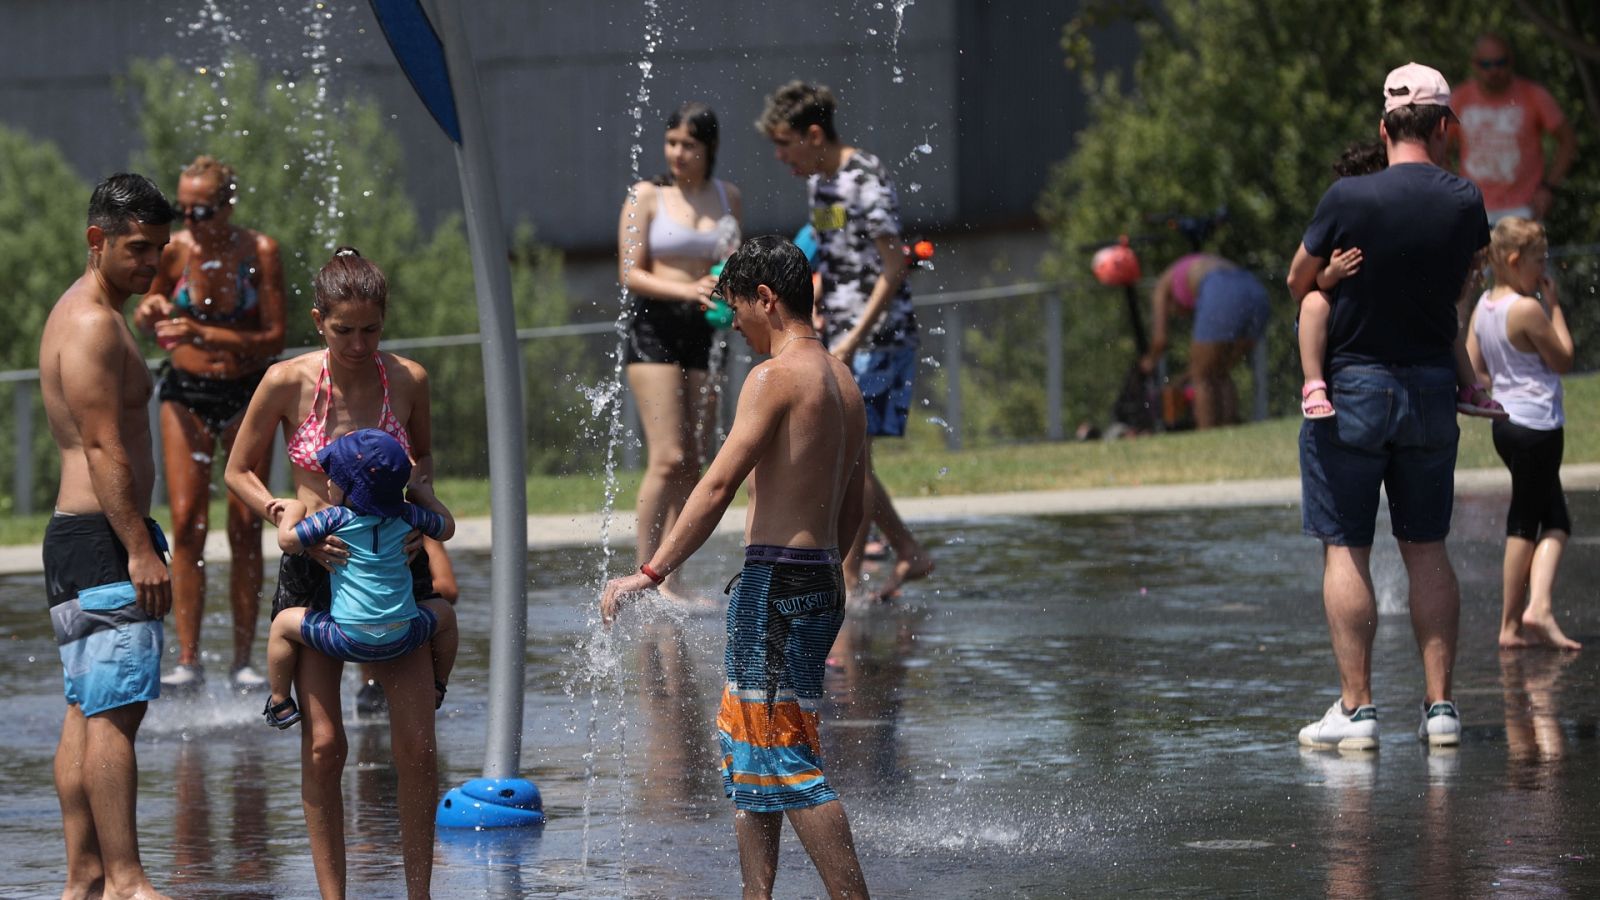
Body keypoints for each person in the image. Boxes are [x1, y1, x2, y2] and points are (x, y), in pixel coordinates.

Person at [601, 235, 872, 899]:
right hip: (815, 580)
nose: (735, 328)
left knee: (784, 754)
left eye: (736, 312)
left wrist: (652, 571)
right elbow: (856, 499)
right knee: (750, 744)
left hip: (778, 583)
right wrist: (826, 573)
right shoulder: (841, 380)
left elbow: (717, 486)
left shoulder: (775, 377)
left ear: (766, 300)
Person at [224, 246, 444, 899]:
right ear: (318, 319)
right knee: (325, 745)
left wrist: (417, 516)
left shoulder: (408, 379)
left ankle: (419, 893)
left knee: (418, 748)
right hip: (317, 565)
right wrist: (280, 512)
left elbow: (424, 459)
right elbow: (237, 471)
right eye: (342, 329)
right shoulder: (287, 380)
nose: (356, 342)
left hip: (391, 564)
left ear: (384, 321)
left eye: (370, 329)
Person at [1287, 62, 1490, 751]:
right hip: (1433, 385)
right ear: (1441, 127)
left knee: (1347, 543)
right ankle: (1440, 711)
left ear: (1383, 127)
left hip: (1354, 387)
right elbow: (1470, 278)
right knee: (1426, 547)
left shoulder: (1349, 196)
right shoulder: (1464, 199)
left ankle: (1359, 710)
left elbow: (1297, 281)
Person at [40, 172, 177, 900]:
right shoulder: (94, 323)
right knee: (116, 714)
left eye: (157, 250)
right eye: (136, 248)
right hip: (102, 538)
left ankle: (84, 877)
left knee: (85, 707)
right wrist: (139, 549)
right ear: (97, 239)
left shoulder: (85, 312)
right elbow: (103, 448)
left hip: (75, 538)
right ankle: (125, 880)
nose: (150, 263)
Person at [758, 79, 930, 601]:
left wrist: (855, 335)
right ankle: (904, 554)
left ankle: (852, 580)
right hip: (842, 335)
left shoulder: (865, 178)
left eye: (786, 144)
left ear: (814, 135)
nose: (781, 156)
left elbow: (894, 266)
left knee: (852, 459)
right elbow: (831, 262)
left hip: (879, 337)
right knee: (851, 459)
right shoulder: (820, 185)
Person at [132, 156, 287, 693]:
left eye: (202, 210)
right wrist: (152, 310)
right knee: (185, 520)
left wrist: (203, 335)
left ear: (228, 206)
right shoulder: (175, 251)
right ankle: (190, 659)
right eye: (184, 209)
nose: (191, 221)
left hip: (246, 390)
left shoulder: (258, 253)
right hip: (187, 393)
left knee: (246, 525)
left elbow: (273, 338)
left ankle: (243, 659)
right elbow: (145, 304)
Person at [620, 102, 743, 603]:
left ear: (708, 147)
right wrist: (688, 288)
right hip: (654, 328)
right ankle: (642, 572)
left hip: (704, 330)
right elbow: (630, 272)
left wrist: (722, 286)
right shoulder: (646, 195)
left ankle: (673, 577)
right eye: (671, 142)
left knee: (695, 461)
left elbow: (733, 263)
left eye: (688, 144)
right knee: (667, 457)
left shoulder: (726, 195)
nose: (677, 153)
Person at [263, 428, 459, 730]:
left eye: (335, 478)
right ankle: (438, 685)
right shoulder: (408, 516)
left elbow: (288, 542)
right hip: (402, 636)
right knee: (445, 614)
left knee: (282, 624)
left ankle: (279, 701)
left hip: (344, 638)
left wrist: (294, 509)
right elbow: (446, 528)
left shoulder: (335, 519)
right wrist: (425, 496)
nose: (328, 482)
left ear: (351, 488)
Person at [1297, 142, 1506, 422]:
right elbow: (1312, 279)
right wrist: (1331, 273)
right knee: (1313, 303)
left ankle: (1470, 389)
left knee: (1445, 318)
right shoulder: (1347, 214)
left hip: (1389, 338)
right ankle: (1313, 385)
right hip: (1347, 321)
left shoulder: (1385, 219)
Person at [1465, 217, 1579, 651]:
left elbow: (1476, 372)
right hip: (1538, 425)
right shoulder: (1528, 309)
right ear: (1514, 260)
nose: (1544, 269)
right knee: (1525, 522)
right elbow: (1564, 359)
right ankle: (1517, 620)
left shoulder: (1484, 308)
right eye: (1539, 260)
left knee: (1555, 520)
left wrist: (1506, 379)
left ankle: (1538, 607)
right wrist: (1555, 308)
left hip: (1507, 425)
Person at [1452, 32, 1576, 224]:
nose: (1493, 71)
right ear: (1474, 64)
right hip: (1474, 208)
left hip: (1524, 210)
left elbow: (1567, 140)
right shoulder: (1459, 98)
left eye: (1500, 63)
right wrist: (1452, 189)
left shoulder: (1533, 95)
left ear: (1511, 61)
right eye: (1486, 64)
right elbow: (1436, 145)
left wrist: (1548, 188)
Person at [1141, 253, 1270, 429]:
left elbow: (1160, 339)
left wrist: (1148, 362)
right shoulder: (1197, 266)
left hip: (1221, 289)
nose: (1179, 316)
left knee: (1202, 378)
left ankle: (1206, 433)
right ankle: (1229, 430)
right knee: (1220, 372)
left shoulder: (1161, 288)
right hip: (1256, 292)